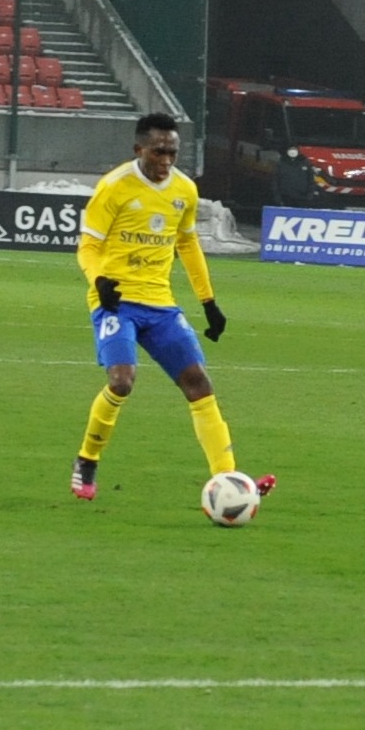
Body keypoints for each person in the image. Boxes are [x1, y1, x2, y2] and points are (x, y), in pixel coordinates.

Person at [69, 112, 275, 503]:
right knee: (121, 381)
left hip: (160, 304)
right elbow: (89, 246)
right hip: (116, 302)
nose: (166, 160)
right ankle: (87, 459)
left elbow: (187, 244)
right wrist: (99, 281)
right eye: (158, 152)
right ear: (139, 149)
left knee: (198, 383)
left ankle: (228, 480)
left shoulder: (184, 190)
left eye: (172, 153)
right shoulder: (114, 187)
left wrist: (208, 301)